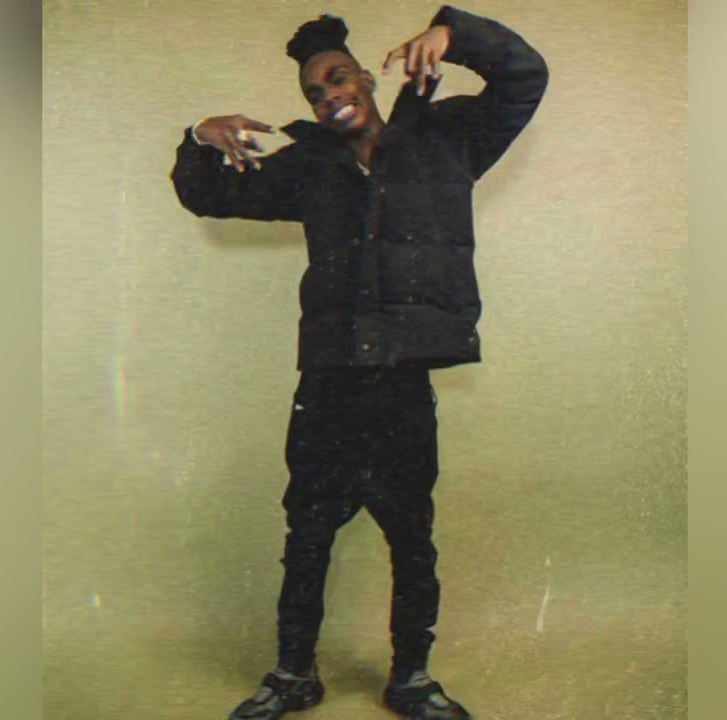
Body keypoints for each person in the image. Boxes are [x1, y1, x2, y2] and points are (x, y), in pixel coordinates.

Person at [170, 5, 547, 719]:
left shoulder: (447, 138)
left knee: (412, 536)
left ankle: (412, 678)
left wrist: (455, 34)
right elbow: (210, 192)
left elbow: (525, 77)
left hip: (402, 378)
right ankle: (293, 675)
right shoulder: (308, 166)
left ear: (367, 78)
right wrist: (197, 137)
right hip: (329, 379)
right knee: (307, 533)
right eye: (314, 91)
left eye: (337, 78)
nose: (328, 96)